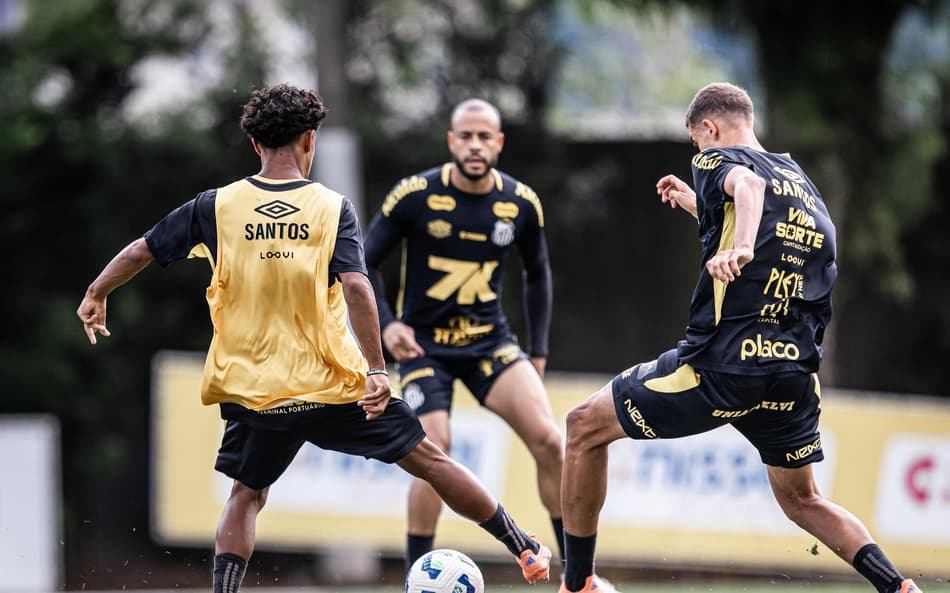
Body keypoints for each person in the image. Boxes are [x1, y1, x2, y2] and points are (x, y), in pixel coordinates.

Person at [76, 84, 551, 593]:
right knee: (431, 460)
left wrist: (97, 292)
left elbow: (143, 249)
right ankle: (524, 547)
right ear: (310, 140)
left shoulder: (216, 206)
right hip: (332, 384)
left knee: (246, 495)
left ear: (255, 144)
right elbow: (358, 288)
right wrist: (376, 369)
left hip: (255, 390)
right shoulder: (330, 207)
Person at [557, 82, 923, 593]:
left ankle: (578, 584)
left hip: (722, 368)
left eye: (696, 142)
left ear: (708, 129)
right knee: (803, 500)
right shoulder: (799, 181)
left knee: (582, 427)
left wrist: (742, 246)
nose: (698, 154)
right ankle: (898, 587)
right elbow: (767, 223)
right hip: (791, 377)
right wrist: (701, 207)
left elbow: (746, 191)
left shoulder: (718, 161)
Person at [362, 98, 565, 573]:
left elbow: (538, 274)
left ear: (499, 143)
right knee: (433, 449)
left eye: (484, 136)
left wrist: (537, 352)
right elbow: (363, 263)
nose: (475, 145)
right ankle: (418, 575)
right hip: (423, 347)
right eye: (466, 136)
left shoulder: (520, 202)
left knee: (551, 441)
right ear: (452, 141)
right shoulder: (414, 195)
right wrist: (387, 325)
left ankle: (578, 576)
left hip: (489, 344)